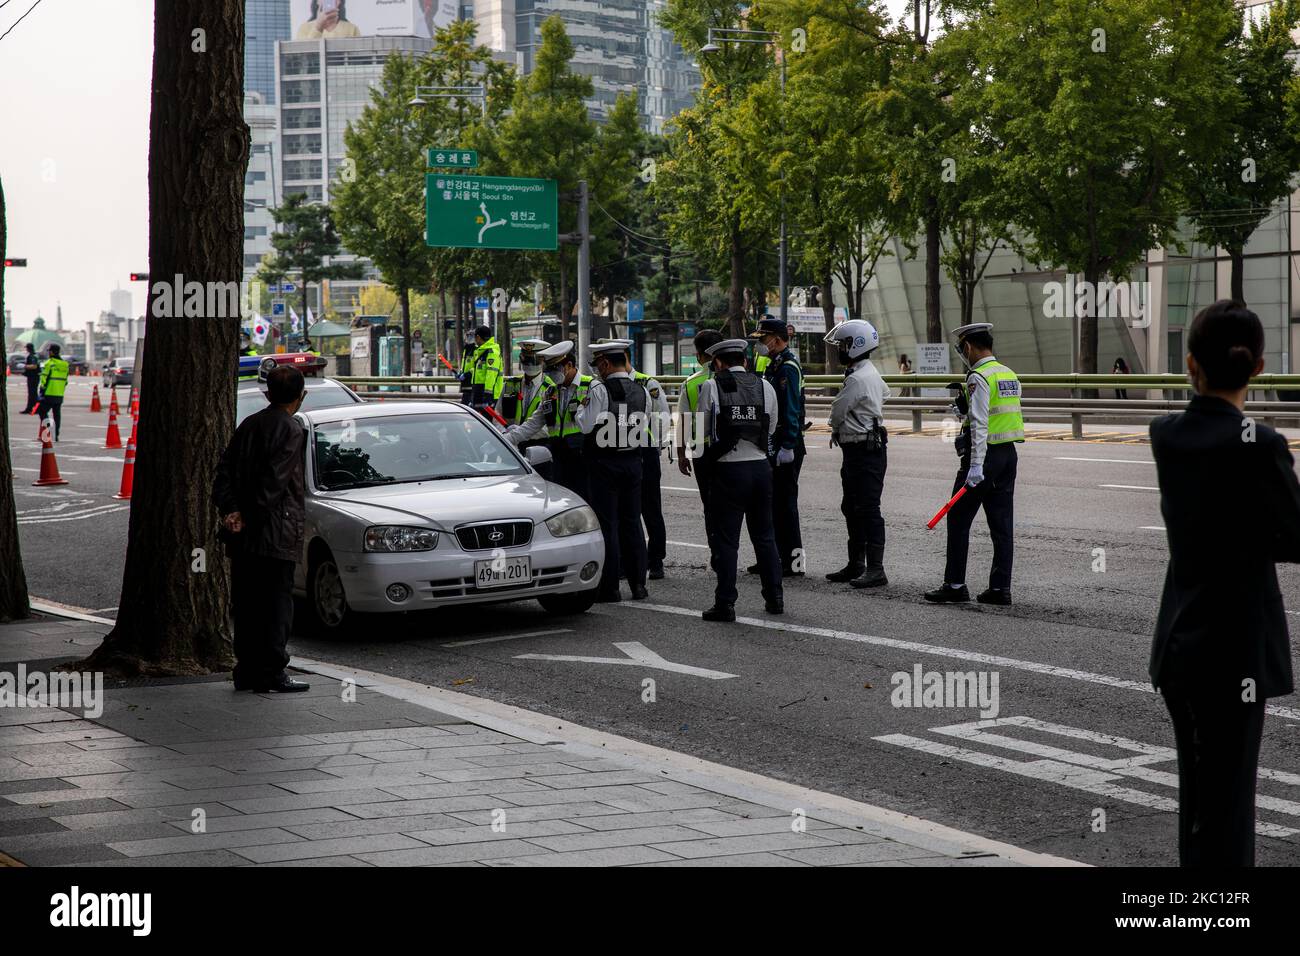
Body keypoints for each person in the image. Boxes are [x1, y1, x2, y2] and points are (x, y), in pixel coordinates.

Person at [1149, 300, 1300, 866]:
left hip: (1181, 644)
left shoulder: (1166, 435)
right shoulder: (1260, 445)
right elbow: (1294, 538)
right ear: (1259, 368)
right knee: (1230, 807)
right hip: (1236, 650)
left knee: (1202, 803)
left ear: (1191, 364)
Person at [211, 365, 311, 694]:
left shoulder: (250, 424)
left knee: (248, 603)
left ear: (267, 394)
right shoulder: (292, 429)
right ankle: (272, 671)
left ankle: (247, 670)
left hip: (244, 535)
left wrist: (232, 511)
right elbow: (274, 484)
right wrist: (249, 515)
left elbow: (223, 470)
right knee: (276, 604)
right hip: (275, 531)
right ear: (300, 396)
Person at [924, 323, 1024, 606]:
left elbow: (981, 425)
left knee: (957, 518)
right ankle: (1000, 589)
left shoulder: (977, 376)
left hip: (984, 458)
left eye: (962, 349)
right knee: (1001, 525)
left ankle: (955, 585)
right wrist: (964, 412)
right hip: (1008, 456)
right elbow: (1001, 413)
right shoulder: (1008, 374)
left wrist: (975, 467)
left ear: (968, 347)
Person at [699, 338, 783, 621]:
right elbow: (771, 427)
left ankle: (725, 604)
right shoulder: (765, 386)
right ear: (745, 361)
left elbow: (701, 431)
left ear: (718, 363)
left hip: (728, 470)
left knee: (727, 541)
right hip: (760, 469)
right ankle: (775, 598)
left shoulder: (712, 386)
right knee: (765, 537)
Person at [575, 341, 650, 602]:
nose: (597, 370)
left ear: (606, 363)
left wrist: (580, 408)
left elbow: (585, 426)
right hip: (632, 461)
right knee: (633, 523)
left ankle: (610, 588)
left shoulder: (599, 391)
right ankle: (639, 585)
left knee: (608, 525)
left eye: (598, 365)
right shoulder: (643, 391)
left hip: (604, 463)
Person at [825, 320, 891, 588]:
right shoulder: (868, 372)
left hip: (864, 450)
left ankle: (875, 569)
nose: (841, 349)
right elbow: (885, 393)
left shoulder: (857, 378)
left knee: (866, 509)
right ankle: (857, 564)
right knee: (853, 507)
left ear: (857, 345)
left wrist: (841, 424)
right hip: (860, 447)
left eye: (844, 344)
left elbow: (837, 410)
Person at [600, 338, 671, 580]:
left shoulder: (645, 383)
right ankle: (622, 563)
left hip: (644, 450)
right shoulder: (603, 386)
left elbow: (662, 417)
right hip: (616, 452)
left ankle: (656, 559)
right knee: (622, 511)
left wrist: (655, 446)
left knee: (651, 509)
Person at [749, 317, 805, 577]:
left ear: (777, 339)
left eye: (763, 338)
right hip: (773, 443)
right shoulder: (774, 364)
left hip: (786, 443)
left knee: (786, 506)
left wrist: (788, 444)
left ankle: (794, 563)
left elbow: (791, 408)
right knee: (770, 504)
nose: (760, 344)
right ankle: (771, 558)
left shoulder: (788, 367)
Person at [505, 340, 592, 499]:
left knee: (585, 502)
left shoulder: (590, 387)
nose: (551, 373)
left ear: (569, 366)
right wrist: (505, 441)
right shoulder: (550, 392)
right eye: (548, 369)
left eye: (554, 368)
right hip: (558, 458)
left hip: (583, 458)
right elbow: (532, 424)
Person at [677, 330, 725, 564]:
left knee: (710, 505)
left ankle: (717, 554)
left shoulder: (692, 383)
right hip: (733, 450)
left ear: (698, 356)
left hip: (702, 452)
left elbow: (684, 421)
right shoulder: (738, 376)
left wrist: (681, 454)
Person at [498, 338, 551, 444]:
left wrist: (518, 433)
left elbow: (551, 426)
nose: (530, 364)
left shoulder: (550, 387)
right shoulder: (510, 385)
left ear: (543, 360)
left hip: (539, 444)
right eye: (526, 359)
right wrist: (503, 433)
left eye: (534, 360)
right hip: (510, 443)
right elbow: (497, 414)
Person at [35, 344, 69, 442]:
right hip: (60, 394)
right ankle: (56, 435)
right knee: (57, 414)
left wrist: (41, 391)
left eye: (49, 351)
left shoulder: (49, 363)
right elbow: (65, 381)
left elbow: (44, 379)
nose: (48, 353)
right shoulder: (65, 364)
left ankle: (47, 431)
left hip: (49, 393)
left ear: (52, 352)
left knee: (42, 411)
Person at [467, 325, 504, 412]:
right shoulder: (482, 351)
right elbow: (480, 372)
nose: (475, 340)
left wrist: (488, 395)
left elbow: (491, 374)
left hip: (488, 395)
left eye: (475, 337)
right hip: (479, 392)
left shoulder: (491, 352)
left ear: (478, 337)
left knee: (485, 422)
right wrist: (467, 373)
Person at [295, 0, 361, 39]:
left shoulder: (352, 29)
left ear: (339, 2)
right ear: (317, 1)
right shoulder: (304, 28)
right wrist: (318, 27)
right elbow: (302, 57)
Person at [21, 343, 40, 415]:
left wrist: (24, 366)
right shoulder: (33, 355)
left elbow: (34, 366)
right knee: (32, 393)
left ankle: (34, 408)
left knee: (33, 393)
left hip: (33, 377)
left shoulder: (32, 356)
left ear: (28, 348)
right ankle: (31, 408)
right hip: (32, 377)